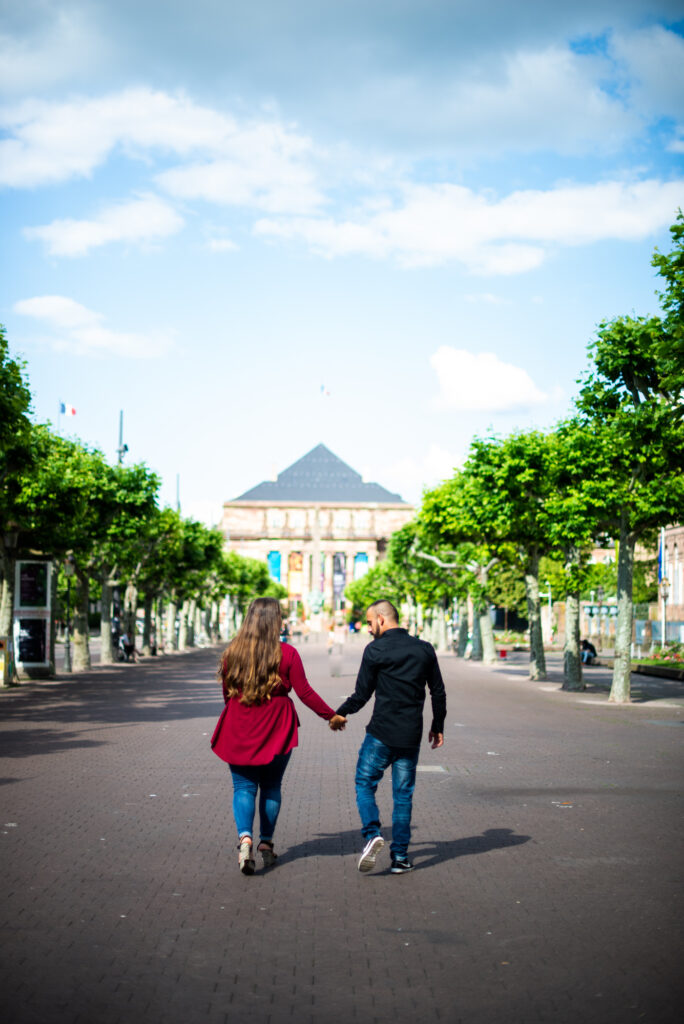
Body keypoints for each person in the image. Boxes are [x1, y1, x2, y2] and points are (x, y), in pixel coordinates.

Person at [212, 597, 346, 875]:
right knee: (271, 786)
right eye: (281, 616)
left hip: (240, 722)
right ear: (274, 621)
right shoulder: (288, 653)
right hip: (277, 725)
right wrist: (330, 715)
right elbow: (304, 691)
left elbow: (227, 693)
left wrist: (240, 713)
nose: (284, 620)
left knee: (243, 787)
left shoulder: (232, 653)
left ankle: (245, 838)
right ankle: (266, 843)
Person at [333, 599, 447, 875]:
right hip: (410, 736)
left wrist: (340, 713)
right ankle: (400, 858)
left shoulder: (375, 650)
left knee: (364, 782)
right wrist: (438, 726)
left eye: (370, 623)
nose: (369, 629)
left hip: (381, 734)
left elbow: (362, 694)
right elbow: (438, 692)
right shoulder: (424, 649)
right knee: (403, 796)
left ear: (382, 620)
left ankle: (373, 833)